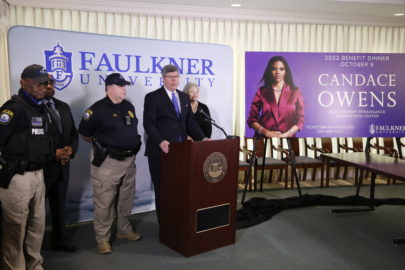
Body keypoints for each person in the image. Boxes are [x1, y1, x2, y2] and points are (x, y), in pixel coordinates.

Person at [78, 73, 142, 255]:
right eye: (120, 85)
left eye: (125, 85)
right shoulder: (96, 109)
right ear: (109, 87)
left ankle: (124, 230)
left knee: (126, 198)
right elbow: (85, 133)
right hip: (108, 162)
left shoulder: (128, 106)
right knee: (104, 202)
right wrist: (105, 145)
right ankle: (103, 239)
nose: (124, 88)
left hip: (129, 160)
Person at [0, 64, 55, 270]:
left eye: (46, 83)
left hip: (38, 175)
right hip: (17, 177)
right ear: (23, 83)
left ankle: (34, 264)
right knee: (15, 228)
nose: (44, 87)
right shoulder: (12, 109)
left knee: (37, 224)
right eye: (38, 84)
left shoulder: (41, 107)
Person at [143, 65, 207, 221]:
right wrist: (161, 141)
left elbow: (190, 123)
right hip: (160, 152)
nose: (174, 80)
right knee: (163, 190)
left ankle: (176, 222)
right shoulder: (153, 97)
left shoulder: (183, 97)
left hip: (180, 152)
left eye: (176, 76)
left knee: (178, 189)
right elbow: (148, 123)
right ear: (163, 78)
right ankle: (164, 225)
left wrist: (203, 138)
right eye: (170, 77)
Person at [43, 78, 79, 253]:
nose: (49, 86)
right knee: (34, 212)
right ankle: (29, 248)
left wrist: (71, 149)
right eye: (46, 83)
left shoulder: (63, 106)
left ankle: (60, 241)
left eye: (52, 83)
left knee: (59, 206)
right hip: (41, 167)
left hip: (62, 166)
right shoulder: (31, 108)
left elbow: (73, 133)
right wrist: (52, 153)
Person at [247, 55, 304, 138]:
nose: (278, 72)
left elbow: (300, 120)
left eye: (281, 69)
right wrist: (266, 133)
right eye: (274, 69)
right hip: (263, 140)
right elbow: (251, 119)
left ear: (285, 71)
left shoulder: (295, 92)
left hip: (288, 141)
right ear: (270, 71)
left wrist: (287, 134)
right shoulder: (262, 91)